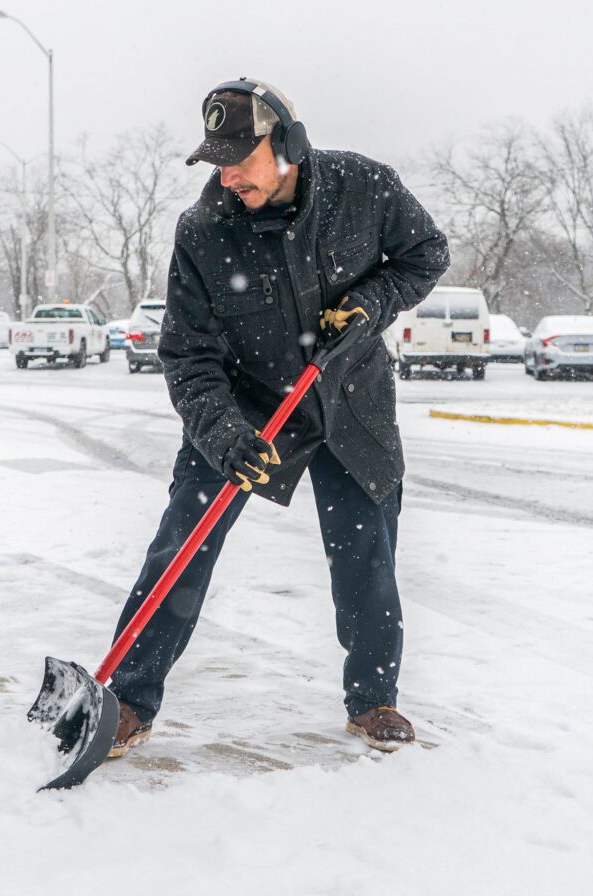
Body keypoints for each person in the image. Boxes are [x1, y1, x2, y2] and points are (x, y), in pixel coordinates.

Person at [108, 77, 449, 757]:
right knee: (181, 547)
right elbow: (186, 353)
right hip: (245, 405)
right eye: (218, 161)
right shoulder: (205, 232)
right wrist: (224, 433)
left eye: (242, 157)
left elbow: (425, 256)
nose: (228, 175)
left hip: (348, 397)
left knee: (367, 556)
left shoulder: (364, 188)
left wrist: (371, 303)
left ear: (289, 144)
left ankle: (374, 698)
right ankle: (127, 697)